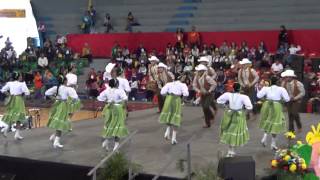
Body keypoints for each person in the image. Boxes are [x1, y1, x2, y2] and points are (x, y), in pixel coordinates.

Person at [217, 82, 253, 157]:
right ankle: (232, 150)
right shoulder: (244, 97)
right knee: (235, 132)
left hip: (229, 114)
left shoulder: (228, 94)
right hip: (238, 115)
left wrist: (225, 106)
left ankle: (230, 151)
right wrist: (245, 113)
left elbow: (219, 100)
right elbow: (249, 107)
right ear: (240, 89)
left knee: (230, 131)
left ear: (233, 88)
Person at [45, 75, 80, 148]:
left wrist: (54, 98)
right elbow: (75, 97)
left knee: (59, 123)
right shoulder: (67, 89)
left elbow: (47, 93)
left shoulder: (56, 88)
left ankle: (54, 137)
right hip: (63, 107)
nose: (67, 81)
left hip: (56, 105)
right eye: (66, 80)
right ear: (64, 81)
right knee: (60, 124)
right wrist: (72, 102)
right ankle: (56, 141)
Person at [257, 76, 290, 150]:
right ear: (278, 82)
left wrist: (261, 90)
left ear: (270, 81)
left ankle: (265, 137)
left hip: (267, 105)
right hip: (276, 106)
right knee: (275, 123)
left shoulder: (266, 88)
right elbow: (287, 99)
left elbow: (258, 95)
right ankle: (273, 143)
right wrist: (281, 99)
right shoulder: (281, 89)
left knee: (268, 121)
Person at [97, 78, 129, 151]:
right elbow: (125, 99)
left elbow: (99, 98)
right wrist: (125, 107)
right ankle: (116, 145)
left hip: (108, 109)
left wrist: (107, 102)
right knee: (118, 126)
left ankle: (106, 141)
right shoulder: (120, 91)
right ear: (116, 84)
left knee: (109, 125)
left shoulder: (106, 91)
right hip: (118, 109)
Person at [159, 76, 189, 145]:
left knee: (169, 115)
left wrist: (168, 96)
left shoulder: (169, 84)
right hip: (176, 100)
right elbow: (186, 94)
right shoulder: (182, 85)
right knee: (176, 118)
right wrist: (182, 100)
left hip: (168, 99)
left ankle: (167, 131)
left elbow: (162, 92)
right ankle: (173, 138)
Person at [1, 72, 30, 140]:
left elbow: (3, 90)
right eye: (20, 76)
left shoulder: (10, 83)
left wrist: (9, 95)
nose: (21, 77)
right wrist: (23, 98)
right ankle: (14, 133)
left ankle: (8, 131)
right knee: (19, 117)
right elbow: (27, 92)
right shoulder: (22, 84)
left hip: (12, 99)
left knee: (12, 115)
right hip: (19, 100)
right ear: (18, 77)